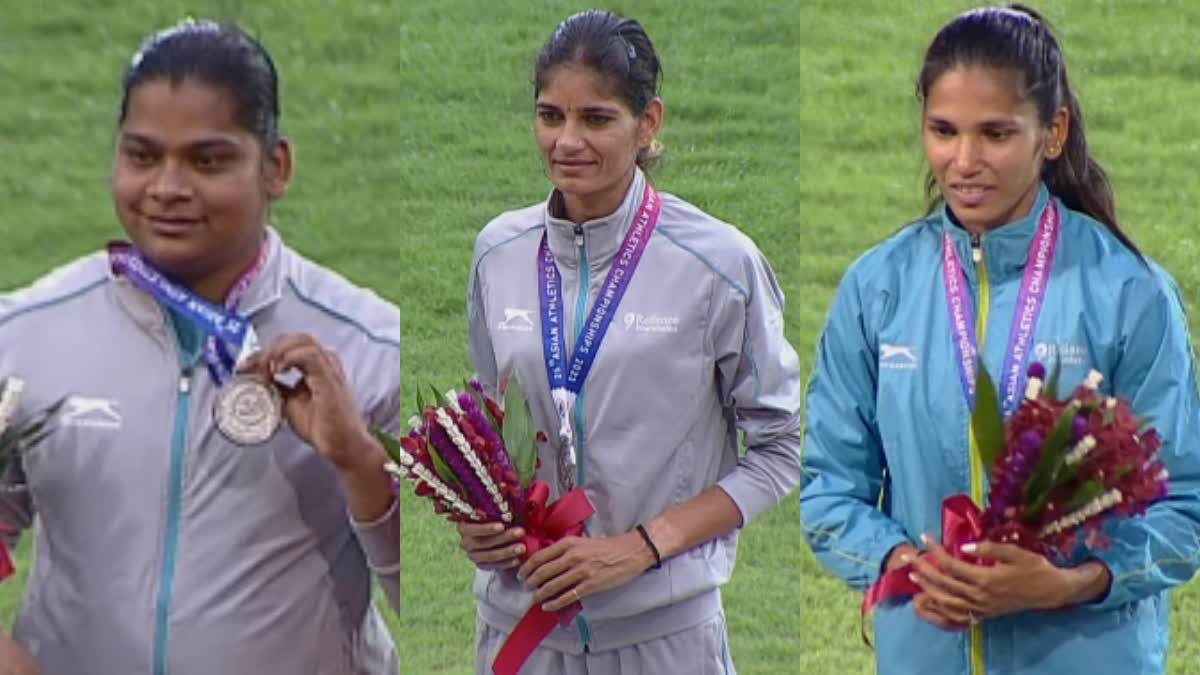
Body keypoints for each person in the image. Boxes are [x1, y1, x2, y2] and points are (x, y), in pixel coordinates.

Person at [799, 4, 1200, 674]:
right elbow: (828, 486)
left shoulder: (1128, 292)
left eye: (996, 133)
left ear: (1053, 131)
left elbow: (1183, 504)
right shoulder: (879, 288)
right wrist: (905, 565)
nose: (964, 161)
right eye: (943, 131)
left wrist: (1071, 581)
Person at [0, 20, 401, 674]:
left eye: (206, 160)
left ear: (277, 167)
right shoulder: (25, 334)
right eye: (142, 155)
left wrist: (359, 461)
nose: (166, 188)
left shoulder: (369, 346)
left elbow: (448, 579)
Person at [458, 10, 802, 675]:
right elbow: (489, 421)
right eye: (550, 115)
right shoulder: (498, 252)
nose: (566, 141)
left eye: (596, 118)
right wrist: (481, 518)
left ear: (648, 124)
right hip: (518, 632)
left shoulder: (718, 264)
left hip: (661, 638)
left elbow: (778, 451)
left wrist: (640, 547)